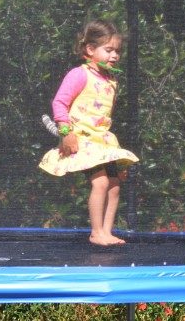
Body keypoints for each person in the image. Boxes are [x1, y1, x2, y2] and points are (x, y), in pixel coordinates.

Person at [39, 20, 139, 246]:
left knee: (114, 185)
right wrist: (65, 132)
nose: (114, 55)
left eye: (117, 51)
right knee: (101, 183)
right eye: (109, 50)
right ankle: (96, 232)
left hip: (102, 140)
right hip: (82, 139)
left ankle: (106, 231)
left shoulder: (111, 79)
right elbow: (60, 102)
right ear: (90, 50)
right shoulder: (79, 74)